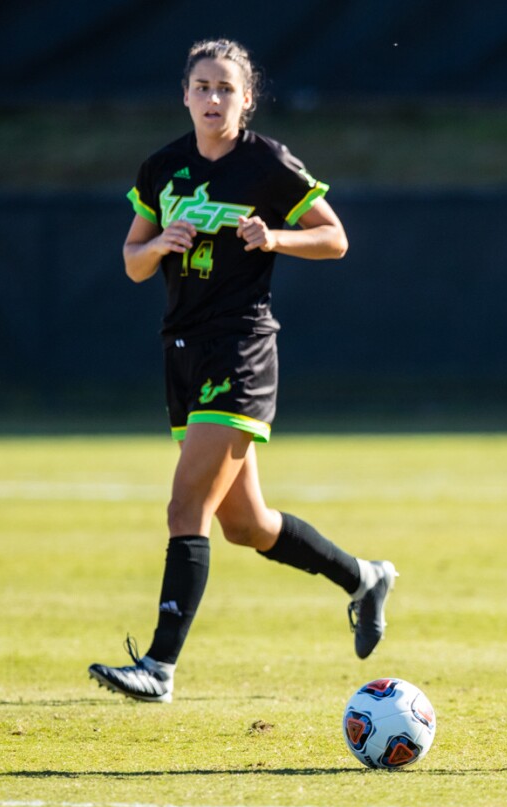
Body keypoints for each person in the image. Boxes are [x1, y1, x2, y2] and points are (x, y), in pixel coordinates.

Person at [88, 38, 396, 703]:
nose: (213, 98)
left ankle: (159, 667)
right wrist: (158, 244)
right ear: (185, 95)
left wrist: (274, 236)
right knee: (247, 525)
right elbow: (132, 261)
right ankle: (364, 577)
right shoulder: (162, 167)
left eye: (226, 88)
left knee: (185, 505)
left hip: (241, 349)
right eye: (202, 86)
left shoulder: (267, 163)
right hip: (182, 349)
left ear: (246, 98)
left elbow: (335, 238)